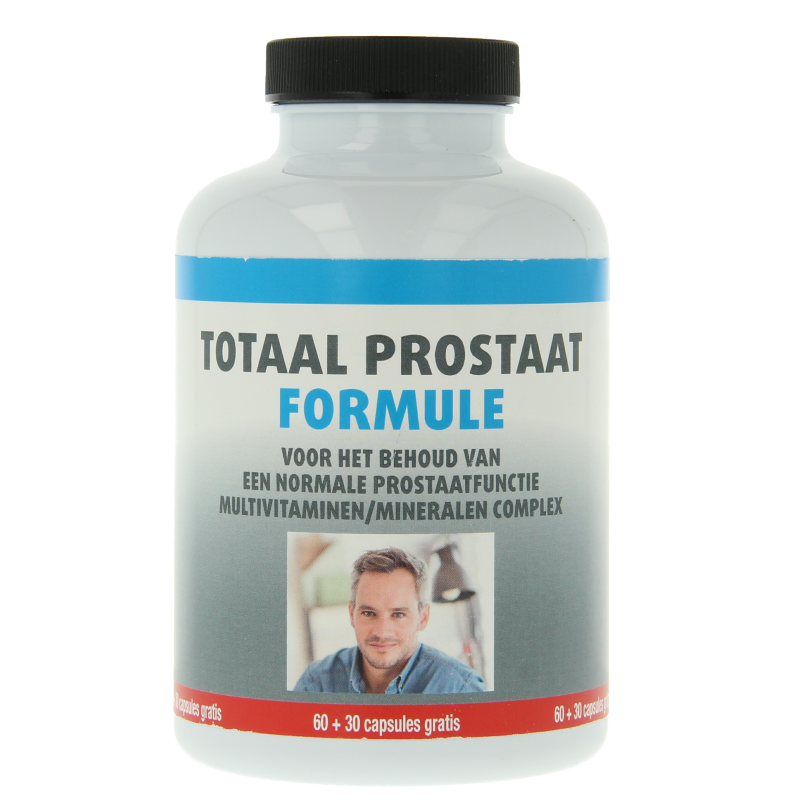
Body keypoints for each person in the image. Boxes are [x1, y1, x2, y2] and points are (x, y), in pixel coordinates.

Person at [294, 547, 486, 694]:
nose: (382, 632)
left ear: (423, 618)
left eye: (398, 614)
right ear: (352, 614)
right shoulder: (316, 682)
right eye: (369, 613)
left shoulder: (459, 687)